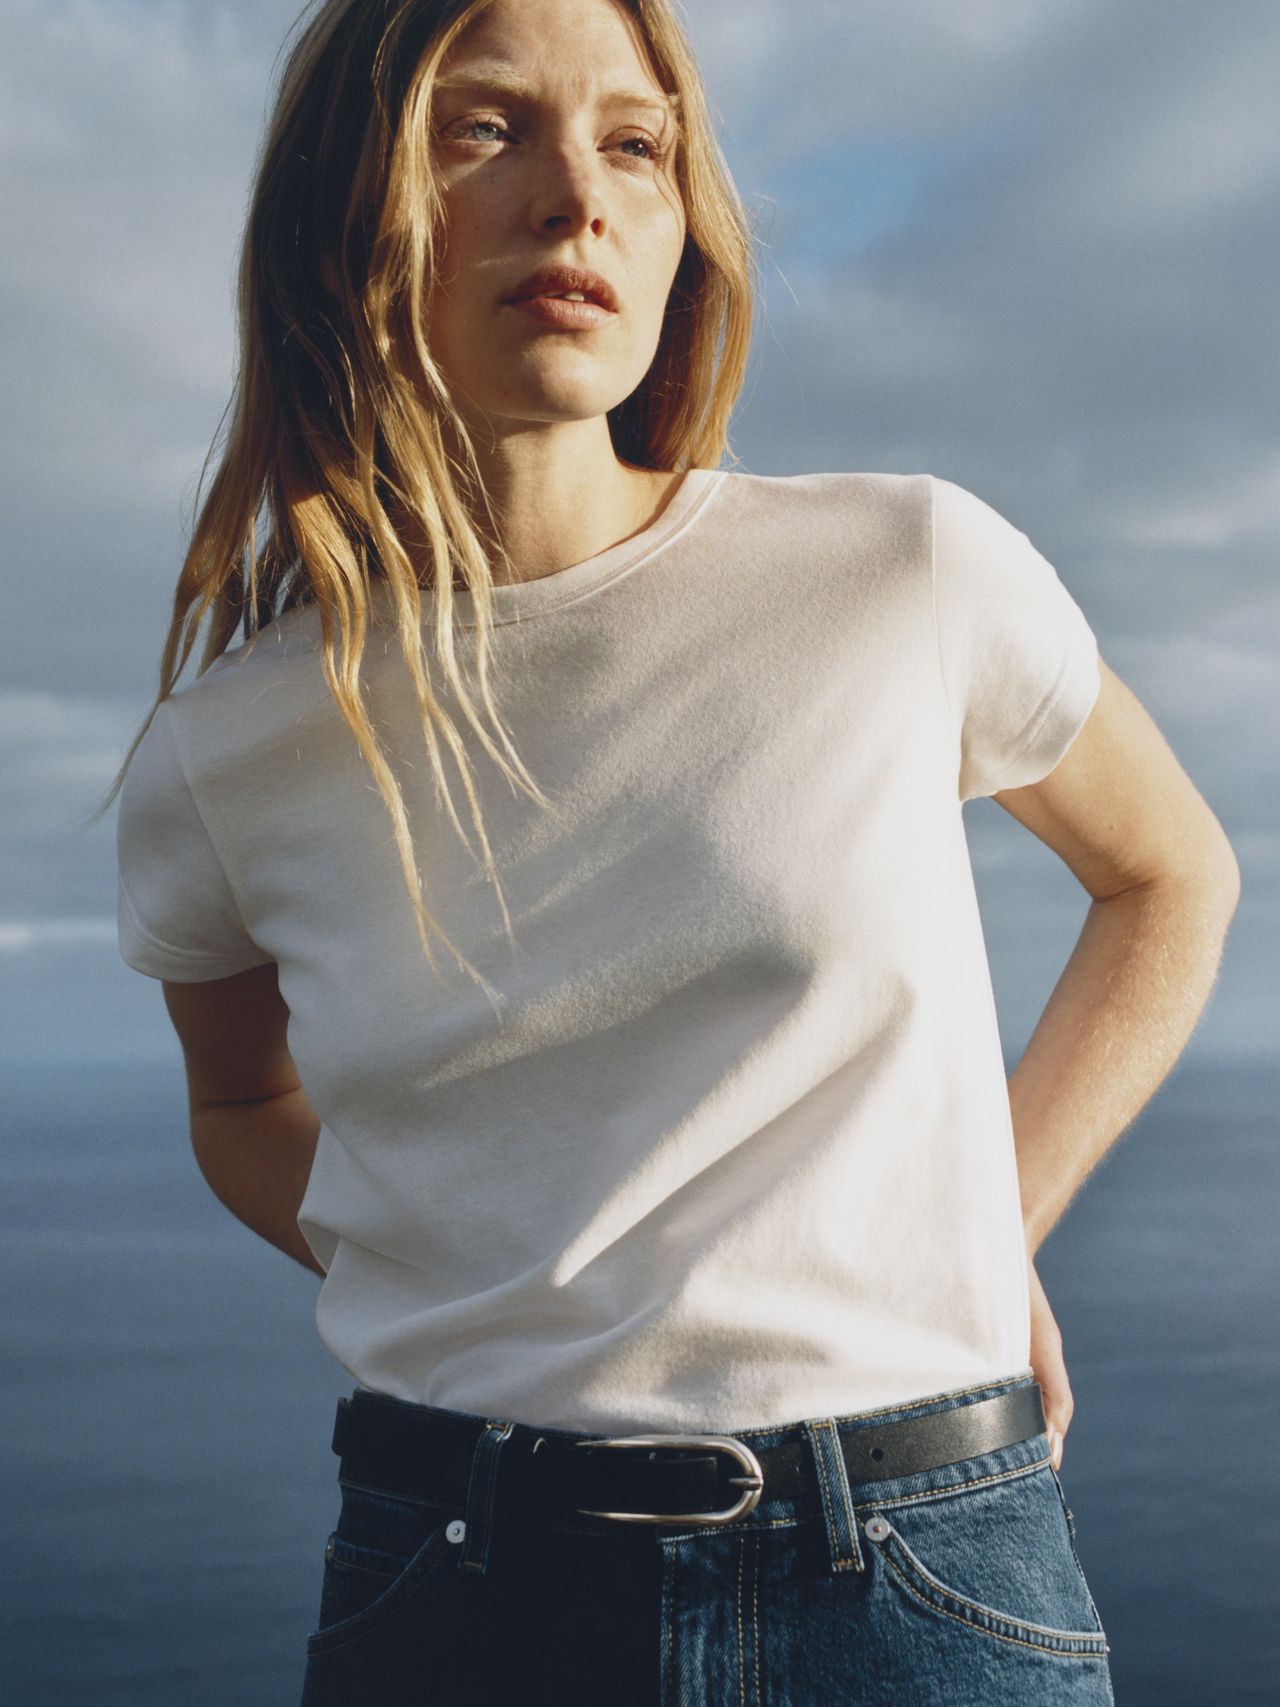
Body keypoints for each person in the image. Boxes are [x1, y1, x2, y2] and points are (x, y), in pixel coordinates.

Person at [106, 0, 1240, 1702]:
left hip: (920, 1568)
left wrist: (978, 1226)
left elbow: (1169, 877)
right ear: (347, 205)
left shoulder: (900, 567)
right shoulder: (230, 751)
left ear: (681, 223)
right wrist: (509, 1273)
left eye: (635, 143)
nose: (579, 196)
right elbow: (240, 1107)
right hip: (456, 1574)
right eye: (483, 129)